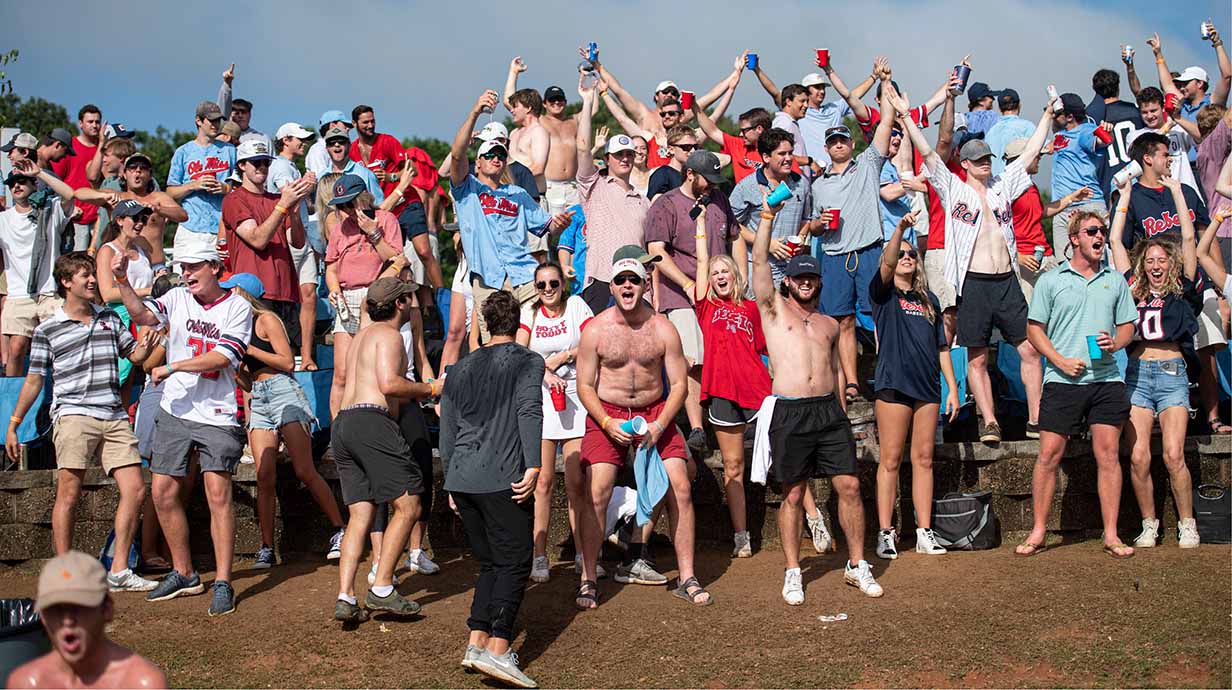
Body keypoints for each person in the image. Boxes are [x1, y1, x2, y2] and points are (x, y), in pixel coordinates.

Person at [893, 85, 1052, 443]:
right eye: (978, 159)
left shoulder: (1002, 185)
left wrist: (1047, 115)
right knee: (978, 357)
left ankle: (1037, 418)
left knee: (1028, 348)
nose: (985, 163)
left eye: (987, 158)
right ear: (965, 163)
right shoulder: (953, 187)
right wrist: (905, 116)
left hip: (1006, 279)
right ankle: (989, 421)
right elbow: (928, 153)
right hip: (974, 281)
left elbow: (1029, 153)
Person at [750, 195, 880, 605]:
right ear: (788, 281)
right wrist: (768, 217)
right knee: (792, 493)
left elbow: (838, 371)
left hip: (828, 410)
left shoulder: (827, 324)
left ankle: (857, 564)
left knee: (850, 486)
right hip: (790, 410)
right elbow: (756, 265)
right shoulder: (773, 310)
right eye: (798, 277)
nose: (805, 282)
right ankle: (792, 570)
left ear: (818, 282)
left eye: (811, 277)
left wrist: (840, 410)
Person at [113, 244, 253, 616]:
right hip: (175, 408)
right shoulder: (176, 296)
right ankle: (184, 571)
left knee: (218, 494)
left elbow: (223, 357)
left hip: (217, 412)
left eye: (194, 266)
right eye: (183, 267)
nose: (187, 273)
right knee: (161, 491)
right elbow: (142, 315)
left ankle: (222, 580)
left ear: (214, 266)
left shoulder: (237, 306)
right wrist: (121, 279)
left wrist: (173, 367)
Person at [5, 252, 157, 591]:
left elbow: (134, 356)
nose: (92, 280)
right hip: (73, 415)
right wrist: (14, 423)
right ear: (65, 282)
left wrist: (146, 347)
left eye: (92, 274)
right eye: (84, 275)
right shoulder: (48, 329)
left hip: (114, 415)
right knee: (69, 493)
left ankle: (118, 570)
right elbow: (34, 380)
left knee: (135, 489)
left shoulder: (109, 318)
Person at [575, 245, 710, 608]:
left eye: (634, 279)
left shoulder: (662, 328)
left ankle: (687, 576)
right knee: (598, 489)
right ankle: (589, 577)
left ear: (645, 284)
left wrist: (661, 423)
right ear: (612, 286)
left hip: (655, 412)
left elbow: (680, 385)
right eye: (621, 280)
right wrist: (605, 421)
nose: (628, 285)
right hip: (608, 412)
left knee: (680, 484)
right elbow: (584, 385)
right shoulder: (596, 330)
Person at [1017, 211, 1138, 559]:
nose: (1100, 236)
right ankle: (1039, 531)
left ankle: (1111, 535)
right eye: (1092, 231)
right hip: (1062, 379)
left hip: (1105, 379)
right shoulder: (1051, 281)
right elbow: (1034, 330)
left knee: (1109, 456)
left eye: (1102, 231)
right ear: (1074, 238)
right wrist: (1059, 361)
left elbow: (1128, 325)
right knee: (1048, 456)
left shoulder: (1114, 280)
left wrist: (1117, 342)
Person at [441, 290, 544, 687]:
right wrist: (534, 463)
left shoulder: (461, 366)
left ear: (484, 324)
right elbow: (529, 408)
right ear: (518, 323)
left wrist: (450, 479)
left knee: (489, 563)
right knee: (515, 561)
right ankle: (499, 649)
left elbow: (447, 424)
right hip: (501, 476)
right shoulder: (528, 361)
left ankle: (475, 641)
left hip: (463, 477)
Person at [222, 273, 346, 567]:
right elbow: (248, 383)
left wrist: (248, 349)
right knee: (264, 475)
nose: (225, 296)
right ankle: (266, 547)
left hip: (284, 392)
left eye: (230, 290)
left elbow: (288, 362)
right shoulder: (236, 326)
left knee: (304, 469)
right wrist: (236, 368)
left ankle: (340, 529)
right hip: (260, 397)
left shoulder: (266, 320)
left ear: (243, 292)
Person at [331, 277, 433, 622]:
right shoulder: (389, 336)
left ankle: (346, 596)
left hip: (344, 423)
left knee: (360, 515)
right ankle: (382, 588)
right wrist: (429, 389)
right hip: (369, 422)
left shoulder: (360, 336)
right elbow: (390, 384)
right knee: (409, 503)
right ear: (400, 304)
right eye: (409, 298)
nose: (413, 304)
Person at [1108, 177, 1202, 549]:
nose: (1155, 265)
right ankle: (1149, 523)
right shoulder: (1133, 287)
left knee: (1174, 454)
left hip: (1172, 373)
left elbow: (1191, 239)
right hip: (1137, 374)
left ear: (1171, 263)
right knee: (1139, 455)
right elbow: (1116, 241)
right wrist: (1126, 197)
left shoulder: (1183, 289)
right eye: (1150, 260)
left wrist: (1177, 192)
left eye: (1162, 259)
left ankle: (1187, 523)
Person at [1119, 131, 1227, 435]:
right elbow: (1123, 246)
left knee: (1206, 347)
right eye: (1165, 154)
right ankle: (1158, 412)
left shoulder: (1186, 191)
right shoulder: (1135, 196)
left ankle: (1214, 417)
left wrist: (1219, 286)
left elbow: (1205, 236)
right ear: (1148, 158)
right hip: (1156, 288)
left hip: (1194, 282)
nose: (1170, 159)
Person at [447, 90, 572, 343]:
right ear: (478, 162)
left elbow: (548, 229)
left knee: (537, 339)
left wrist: (559, 226)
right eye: (489, 155)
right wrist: (475, 111)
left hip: (525, 277)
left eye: (501, 155)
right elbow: (458, 154)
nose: (496, 158)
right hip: (488, 279)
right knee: (495, 346)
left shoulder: (517, 193)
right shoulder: (466, 189)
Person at [802, 69, 896, 404]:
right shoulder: (818, 183)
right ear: (826, 148)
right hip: (836, 254)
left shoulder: (868, 164)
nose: (838, 144)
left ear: (852, 144)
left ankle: (888, 373)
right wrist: (819, 224)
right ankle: (852, 383)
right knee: (841, 320)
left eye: (842, 140)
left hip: (869, 250)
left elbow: (885, 125)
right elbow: (811, 224)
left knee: (882, 314)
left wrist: (885, 82)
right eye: (832, 141)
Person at [869, 211, 960, 559]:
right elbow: (889, 263)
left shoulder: (929, 301)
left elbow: (942, 348)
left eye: (912, 254)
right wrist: (900, 230)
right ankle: (886, 532)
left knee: (923, 459)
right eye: (902, 254)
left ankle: (924, 531)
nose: (907, 257)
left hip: (928, 387)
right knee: (890, 460)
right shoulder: (883, 294)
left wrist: (952, 388)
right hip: (894, 384)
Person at [645, 150, 743, 452]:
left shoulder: (719, 199)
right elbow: (655, 249)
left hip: (721, 291)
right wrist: (686, 283)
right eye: (707, 179)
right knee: (692, 360)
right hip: (682, 294)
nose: (713, 185)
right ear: (689, 174)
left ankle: (726, 419)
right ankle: (698, 427)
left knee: (725, 358)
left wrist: (742, 277)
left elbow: (735, 237)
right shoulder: (667, 203)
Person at [690, 203, 769, 557]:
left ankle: (813, 516)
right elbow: (703, 264)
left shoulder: (750, 309)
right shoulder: (706, 307)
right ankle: (741, 535)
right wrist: (702, 226)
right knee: (733, 466)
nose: (720, 275)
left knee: (783, 457)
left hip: (758, 390)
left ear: (737, 277)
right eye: (716, 272)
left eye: (727, 271)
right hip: (722, 392)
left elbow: (769, 349)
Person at [516, 263, 594, 583]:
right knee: (543, 482)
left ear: (563, 284)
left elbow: (593, 342)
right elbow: (519, 353)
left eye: (553, 283)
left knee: (576, 481)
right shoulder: (529, 313)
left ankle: (581, 553)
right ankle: (539, 556)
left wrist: (564, 357)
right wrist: (544, 372)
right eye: (541, 285)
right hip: (543, 403)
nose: (547, 289)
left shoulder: (576, 306)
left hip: (575, 399)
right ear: (535, 288)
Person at [5, 551, 167, 690]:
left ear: (106, 610)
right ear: (43, 617)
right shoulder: (27, 683)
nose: (67, 620)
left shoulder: (141, 684)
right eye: (55, 609)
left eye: (79, 607)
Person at [222, 139, 314, 358]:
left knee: (287, 359)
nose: (262, 167)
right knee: (256, 363)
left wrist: (293, 209)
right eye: (256, 162)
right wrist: (284, 205)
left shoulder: (278, 200)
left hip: (285, 291)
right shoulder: (234, 200)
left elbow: (298, 242)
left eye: (265, 162)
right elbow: (257, 239)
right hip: (254, 294)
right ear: (242, 165)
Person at [322, 174, 404, 418]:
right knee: (342, 373)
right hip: (347, 296)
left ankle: (385, 423)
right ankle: (338, 432)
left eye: (349, 203)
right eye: (340, 205)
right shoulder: (339, 229)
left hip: (377, 295)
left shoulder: (386, 219)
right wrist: (334, 289)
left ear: (363, 199)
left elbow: (396, 259)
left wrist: (373, 232)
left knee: (378, 369)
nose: (345, 210)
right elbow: (331, 268)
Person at [576, 73, 652, 315]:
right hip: (601, 280)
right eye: (619, 154)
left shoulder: (644, 200)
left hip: (638, 281)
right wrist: (588, 102)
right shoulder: (594, 186)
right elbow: (582, 148)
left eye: (629, 154)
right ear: (607, 158)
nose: (625, 158)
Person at [0, 161, 76, 376]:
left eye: (22, 181)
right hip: (19, 294)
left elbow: (70, 194)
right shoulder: (3, 220)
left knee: (60, 349)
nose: (16, 186)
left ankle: (55, 398)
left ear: (34, 185)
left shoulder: (50, 210)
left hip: (49, 293)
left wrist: (40, 172)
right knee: (15, 350)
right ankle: (12, 401)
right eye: (12, 183)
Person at [999, 139, 1092, 305]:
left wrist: (1071, 198)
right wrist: (1017, 256)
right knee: (1030, 313)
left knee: (1066, 302)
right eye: (1036, 156)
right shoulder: (1005, 189)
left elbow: (1040, 212)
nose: (1039, 158)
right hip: (1024, 260)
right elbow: (995, 230)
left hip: (1044, 256)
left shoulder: (1030, 185)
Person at [269, 122, 322, 370]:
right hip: (286, 236)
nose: (304, 142)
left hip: (300, 235)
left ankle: (307, 354)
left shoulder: (289, 166)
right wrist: (307, 186)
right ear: (286, 140)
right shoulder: (279, 165)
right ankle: (291, 353)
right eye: (299, 138)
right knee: (288, 298)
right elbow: (286, 197)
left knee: (308, 293)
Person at [728, 128, 812, 284]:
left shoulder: (802, 184)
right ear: (766, 157)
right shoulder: (747, 186)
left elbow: (807, 218)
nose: (788, 158)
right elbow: (731, 224)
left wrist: (801, 237)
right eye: (782, 154)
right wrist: (767, 244)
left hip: (791, 270)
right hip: (757, 268)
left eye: (790, 153)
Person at [75, 152, 187, 266]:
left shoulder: (159, 198)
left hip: (154, 267)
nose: (138, 171)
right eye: (132, 168)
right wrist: (104, 196)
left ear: (150, 175)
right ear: (124, 174)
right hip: (122, 266)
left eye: (143, 168)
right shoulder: (117, 197)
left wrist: (159, 210)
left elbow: (183, 215)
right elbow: (79, 193)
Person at [93, 201, 159, 387]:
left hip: (146, 314)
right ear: (120, 220)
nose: (140, 223)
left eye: (143, 219)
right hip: (121, 315)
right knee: (121, 377)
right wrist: (148, 291)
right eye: (135, 218)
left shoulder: (141, 249)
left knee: (143, 371)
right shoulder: (107, 250)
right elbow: (107, 294)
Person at [165, 101, 236, 261]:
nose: (215, 124)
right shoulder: (183, 152)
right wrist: (193, 185)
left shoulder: (230, 150)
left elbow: (242, 187)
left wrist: (225, 188)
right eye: (211, 120)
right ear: (199, 120)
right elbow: (170, 192)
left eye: (218, 120)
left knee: (223, 282)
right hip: (190, 229)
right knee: (187, 280)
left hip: (222, 228)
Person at [1049, 93, 1110, 249]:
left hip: (1087, 205)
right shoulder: (1062, 133)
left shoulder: (1085, 131)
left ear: (1069, 117)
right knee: (1064, 266)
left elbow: (1102, 141)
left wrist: (1106, 132)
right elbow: (1054, 129)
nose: (1053, 117)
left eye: (1057, 114)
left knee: (1093, 261)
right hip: (1062, 207)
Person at [49, 105, 105, 252]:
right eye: (90, 121)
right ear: (80, 123)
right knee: (77, 263)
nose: (94, 125)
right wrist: (68, 206)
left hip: (99, 216)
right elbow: (56, 180)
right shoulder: (69, 147)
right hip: (76, 216)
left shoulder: (104, 148)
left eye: (97, 122)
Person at [1087, 69, 1145, 201]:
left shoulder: (1091, 118)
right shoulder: (1135, 111)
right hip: (1137, 177)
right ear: (1118, 86)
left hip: (1108, 182)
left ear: (1095, 89)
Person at [693, 104, 773, 183]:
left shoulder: (777, 151)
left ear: (759, 129)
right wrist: (693, 105)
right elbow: (712, 131)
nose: (740, 134)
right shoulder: (739, 145)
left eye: (744, 131)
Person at [985, 89, 1038, 176]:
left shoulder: (991, 131)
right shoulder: (1027, 127)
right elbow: (1047, 147)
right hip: (1017, 183)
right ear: (1020, 104)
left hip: (994, 184)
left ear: (999, 108)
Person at [645, 125, 698, 201]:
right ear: (671, 149)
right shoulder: (663, 174)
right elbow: (655, 207)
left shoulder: (695, 175)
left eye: (695, 147)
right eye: (687, 147)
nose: (693, 151)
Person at [216, 63, 266, 142]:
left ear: (249, 115)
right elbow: (223, 107)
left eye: (243, 112)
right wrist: (227, 84)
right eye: (236, 113)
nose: (240, 116)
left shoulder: (261, 138)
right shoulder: (223, 134)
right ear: (230, 114)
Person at [306, 110, 351, 178]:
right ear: (333, 125)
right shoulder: (318, 150)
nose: (348, 128)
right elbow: (322, 180)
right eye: (345, 125)